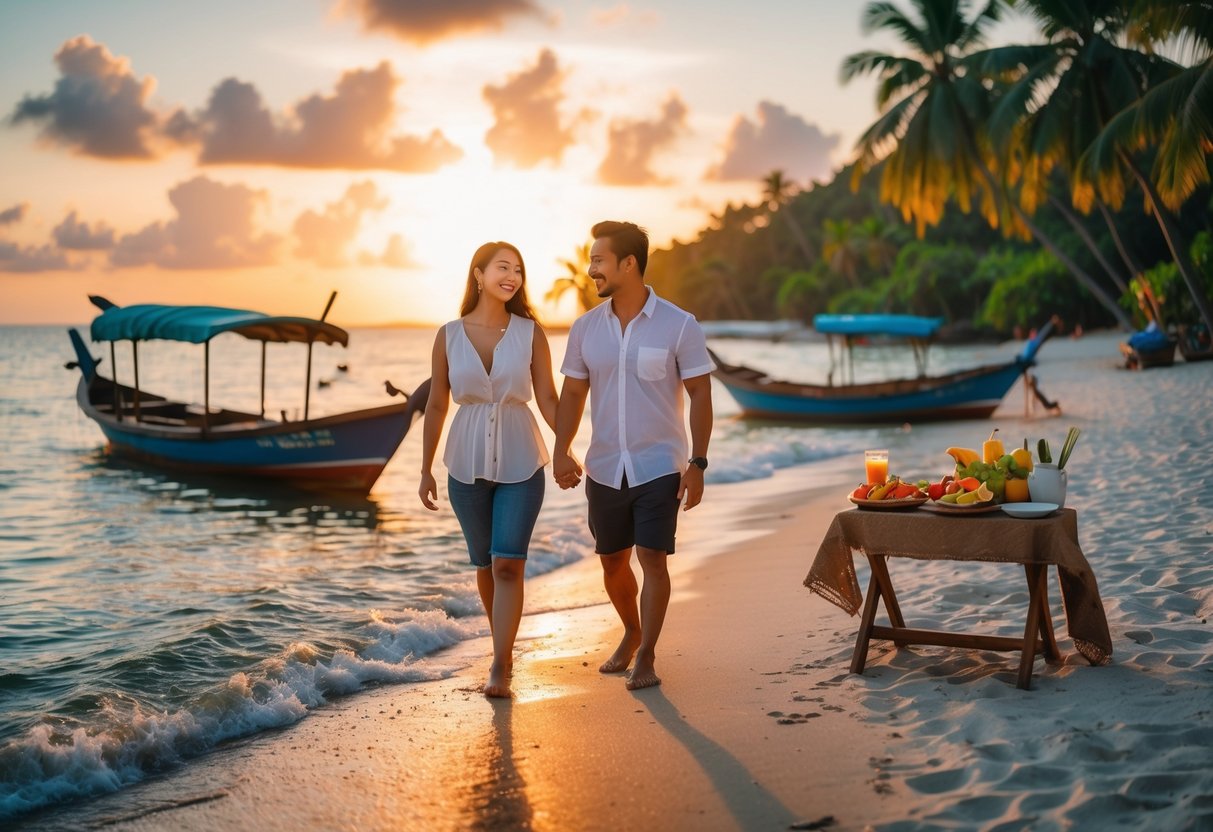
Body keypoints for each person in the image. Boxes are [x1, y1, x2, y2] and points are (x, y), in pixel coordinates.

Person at [553, 220, 714, 690]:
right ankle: (632, 629)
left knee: (653, 557)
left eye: (599, 260)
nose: (591, 270)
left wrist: (698, 463)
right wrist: (562, 451)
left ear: (628, 264)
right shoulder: (585, 329)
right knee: (612, 562)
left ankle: (646, 655)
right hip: (604, 466)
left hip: (659, 463)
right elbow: (573, 395)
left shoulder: (679, 324)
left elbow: (701, 395)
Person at [419, 241, 559, 699]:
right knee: (484, 564)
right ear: (478, 274)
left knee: (506, 567)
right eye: (503, 267)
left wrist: (568, 448)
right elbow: (437, 403)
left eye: (518, 269)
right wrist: (425, 469)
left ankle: (500, 662)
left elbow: (549, 399)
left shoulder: (531, 332)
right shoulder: (448, 334)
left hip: (522, 459)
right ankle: (504, 643)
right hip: (465, 462)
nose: (512, 276)